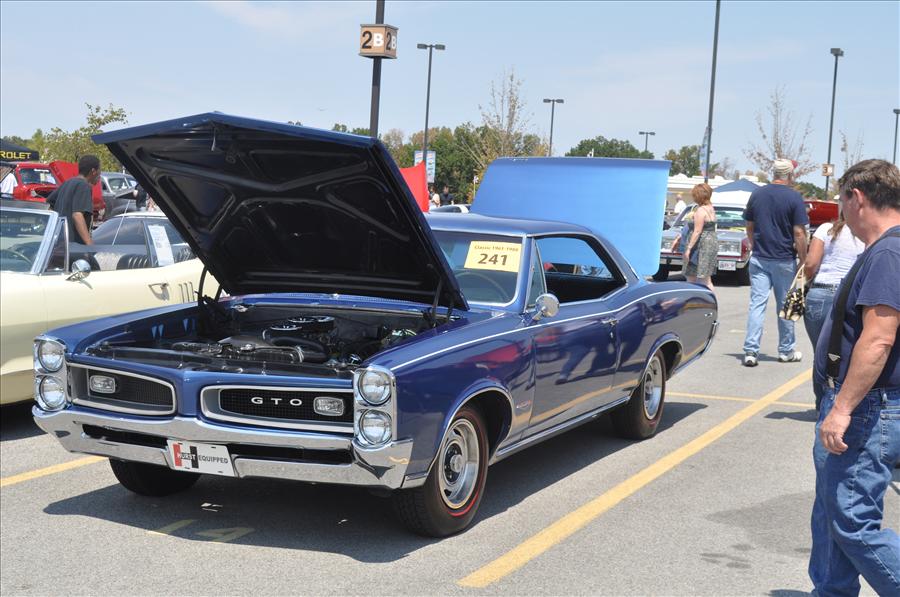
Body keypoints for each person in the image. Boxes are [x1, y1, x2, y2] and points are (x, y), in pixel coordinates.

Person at [809, 159, 900, 596]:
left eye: (842, 201)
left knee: (853, 521)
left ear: (857, 198)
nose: (841, 212)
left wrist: (842, 408)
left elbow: (878, 338)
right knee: (831, 514)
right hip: (862, 403)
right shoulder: (882, 250)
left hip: (866, 407)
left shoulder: (887, 253)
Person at [741, 158, 809, 367]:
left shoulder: (757, 194)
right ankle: (786, 350)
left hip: (760, 258)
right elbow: (799, 233)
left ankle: (751, 351)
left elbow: (749, 225)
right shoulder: (794, 197)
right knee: (786, 306)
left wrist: (754, 245)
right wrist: (803, 260)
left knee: (757, 305)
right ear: (789, 175)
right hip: (784, 259)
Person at [802, 210, 865, 409]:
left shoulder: (825, 229)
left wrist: (807, 279)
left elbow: (811, 263)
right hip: (849, 295)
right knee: (847, 354)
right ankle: (843, 404)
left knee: (820, 354)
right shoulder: (864, 232)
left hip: (820, 293)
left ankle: (822, 405)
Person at [47, 154, 101, 245]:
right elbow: (77, 215)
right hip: (74, 246)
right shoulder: (84, 186)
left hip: (60, 243)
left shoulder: (67, 183)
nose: (100, 175)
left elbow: (49, 206)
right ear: (93, 171)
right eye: (99, 171)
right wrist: (90, 244)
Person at [682, 183, 717, 292]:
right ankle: (708, 299)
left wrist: (688, 249)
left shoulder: (701, 210)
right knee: (706, 278)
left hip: (700, 246)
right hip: (710, 242)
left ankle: (693, 299)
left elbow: (697, 231)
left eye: (694, 195)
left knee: (693, 277)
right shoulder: (711, 208)